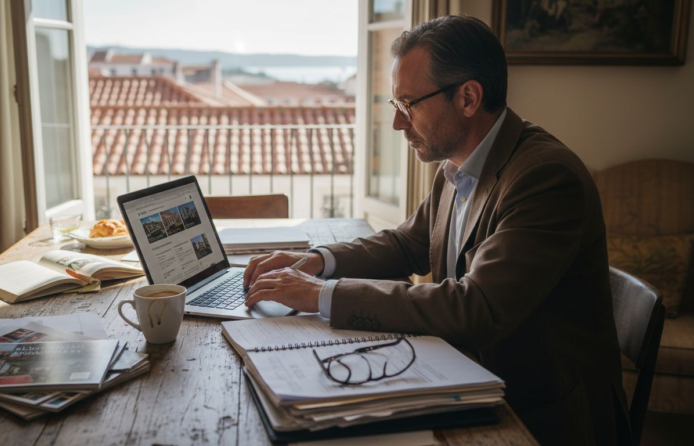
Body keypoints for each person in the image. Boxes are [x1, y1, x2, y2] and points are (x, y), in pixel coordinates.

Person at [243, 15, 630, 445]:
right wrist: (315, 263)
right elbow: (408, 242)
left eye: (409, 104)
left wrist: (318, 295)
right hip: (471, 374)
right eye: (396, 106)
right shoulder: (458, 163)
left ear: (468, 97)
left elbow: (476, 309)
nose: (398, 123)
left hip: (540, 415)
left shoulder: (545, 178)